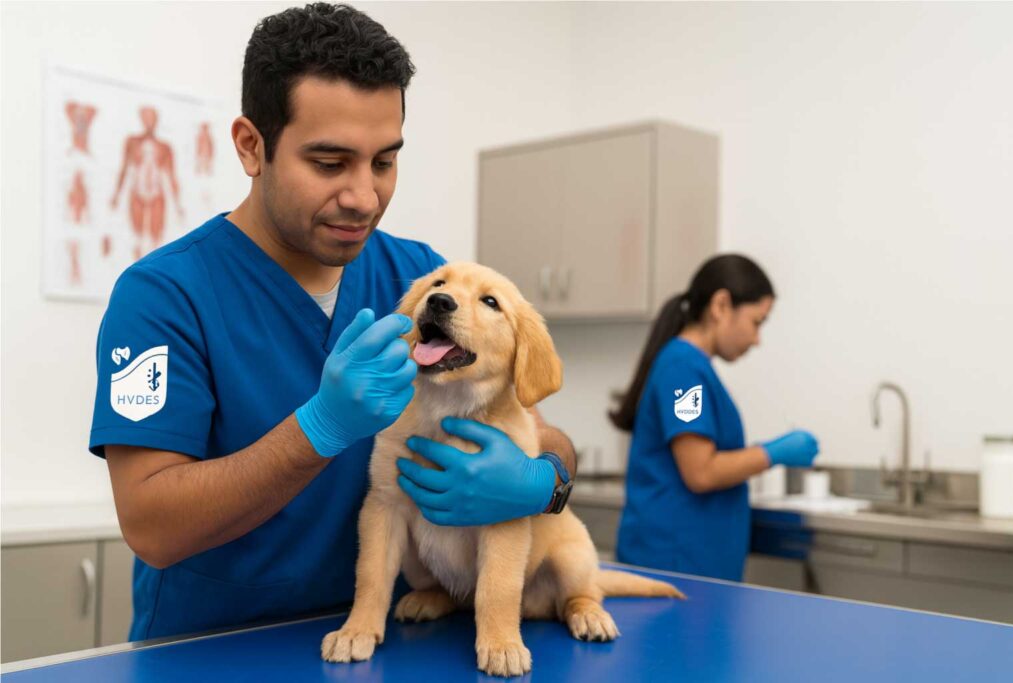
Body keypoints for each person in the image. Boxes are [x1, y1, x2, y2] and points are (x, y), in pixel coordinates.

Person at [90, 3, 575, 642]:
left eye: (384, 162)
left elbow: (540, 433)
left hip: (394, 643)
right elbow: (151, 526)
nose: (363, 196)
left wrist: (545, 480)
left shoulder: (424, 278)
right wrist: (319, 429)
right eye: (329, 163)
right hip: (215, 649)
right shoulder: (161, 298)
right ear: (250, 146)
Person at [609, 254, 818, 581]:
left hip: (692, 565)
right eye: (756, 322)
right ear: (721, 305)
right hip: (674, 565)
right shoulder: (683, 373)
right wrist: (772, 453)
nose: (757, 339)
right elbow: (700, 471)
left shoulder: (691, 369)